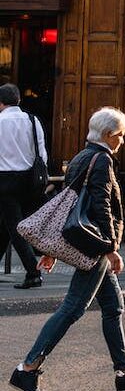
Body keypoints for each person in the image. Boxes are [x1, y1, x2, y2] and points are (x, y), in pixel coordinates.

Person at [9, 106, 125, 391]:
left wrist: (55, 249)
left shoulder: (81, 156)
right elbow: (101, 207)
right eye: (121, 136)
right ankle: (27, 368)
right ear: (110, 135)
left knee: (113, 307)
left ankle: (124, 372)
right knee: (73, 308)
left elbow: (69, 207)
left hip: (86, 242)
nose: (123, 141)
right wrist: (111, 249)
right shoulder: (101, 160)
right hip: (95, 246)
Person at [0, 83, 47, 289]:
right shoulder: (33, 120)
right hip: (29, 180)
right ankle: (32, 271)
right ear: (18, 100)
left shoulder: (0, 121)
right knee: (6, 225)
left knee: (15, 227)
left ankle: (33, 272)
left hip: (5, 179)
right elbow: (41, 152)